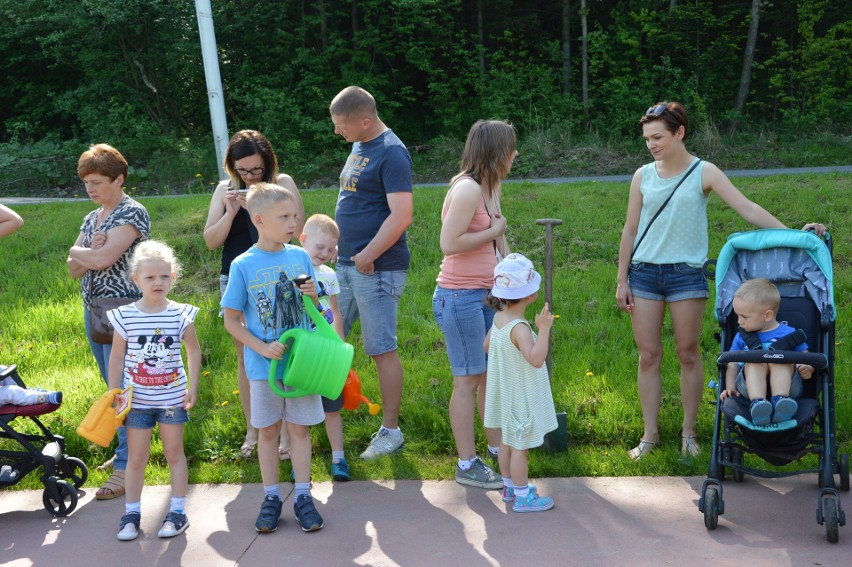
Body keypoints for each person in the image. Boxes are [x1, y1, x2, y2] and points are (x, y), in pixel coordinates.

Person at [615, 101, 826, 460]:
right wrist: (622, 279)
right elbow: (630, 229)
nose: (651, 145)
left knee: (688, 353)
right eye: (647, 138)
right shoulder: (642, 176)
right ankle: (649, 436)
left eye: (658, 137)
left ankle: (689, 433)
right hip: (645, 274)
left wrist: (797, 236)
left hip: (686, 275)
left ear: (679, 133)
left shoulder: (704, 171)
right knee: (648, 356)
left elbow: (748, 208)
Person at [221, 183, 325, 533]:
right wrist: (261, 347)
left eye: (294, 215)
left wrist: (314, 294)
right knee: (267, 432)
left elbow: (315, 311)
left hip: (302, 363)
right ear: (260, 220)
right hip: (263, 366)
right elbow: (230, 319)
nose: (293, 222)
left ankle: (303, 496)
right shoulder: (243, 264)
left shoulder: (300, 256)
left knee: (299, 429)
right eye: (284, 216)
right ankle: (270, 497)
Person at [203, 130, 304, 460]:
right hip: (237, 276)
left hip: (277, 277)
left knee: (286, 346)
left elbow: (296, 229)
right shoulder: (224, 188)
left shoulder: (282, 183)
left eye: (255, 170)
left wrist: (259, 208)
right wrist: (232, 212)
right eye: (242, 170)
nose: (248, 176)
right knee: (246, 354)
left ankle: (289, 429)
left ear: (268, 163)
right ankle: (255, 428)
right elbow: (211, 240)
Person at [330, 86, 413, 460]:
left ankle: (391, 431)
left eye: (342, 125)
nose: (337, 132)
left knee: (381, 349)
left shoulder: (392, 153)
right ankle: (328, 418)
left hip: (376, 268)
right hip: (344, 265)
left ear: (365, 120)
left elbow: (401, 215)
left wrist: (366, 255)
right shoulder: (359, 145)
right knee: (329, 341)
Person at [433, 120, 517, 489]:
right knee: (467, 380)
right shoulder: (467, 189)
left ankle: (496, 450)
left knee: (487, 378)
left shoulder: (489, 187)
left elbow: (498, 241)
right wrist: (494, 232)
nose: (515, 155)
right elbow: (448, 242)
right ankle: (467, 464)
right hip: (459, 296)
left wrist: (512, 273)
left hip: (485, 296)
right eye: (511, 149)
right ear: (496, 153)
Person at [66, 144, 150, 498]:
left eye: (98, 181)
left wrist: (82, 251)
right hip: (95, 312)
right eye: (87, 182)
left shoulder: (132, 212)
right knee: (110, 385)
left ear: (119, 179)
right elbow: (74, 269)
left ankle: (126, 468)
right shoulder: (91, 218)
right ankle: (125, 452)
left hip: (125, 314)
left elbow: (102, 259)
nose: (91, 189)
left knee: (124, 389)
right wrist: (87, 251)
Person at [106, 240, 200, 541]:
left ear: (173, 277)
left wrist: (193, 387)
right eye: (150, 277)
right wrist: (113, 391)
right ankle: (131, 513)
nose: (158, 282)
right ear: (137, 280)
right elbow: (117, 356)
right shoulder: (126, 316)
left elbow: (194, 352)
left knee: (174, 453)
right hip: (137, 402)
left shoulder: (181, 314)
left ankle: (177, 511)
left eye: (164, 276)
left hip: (172, 399)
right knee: (136, 458)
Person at [483, 253, 557, 513]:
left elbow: (487, 345)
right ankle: (524, 497)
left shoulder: (499, 319)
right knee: (520, 449)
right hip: (520, 397)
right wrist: (544, 328)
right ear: (530, 295)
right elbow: (536, 359)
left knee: (506, 442)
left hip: (506, 394)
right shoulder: (520, 328)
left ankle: (509, 487)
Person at [298, 214, 351, 481]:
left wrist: (340, 346)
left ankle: (338, 458)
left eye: (330, 249)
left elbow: (335, 311)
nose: (325, 253)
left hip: (327, 352)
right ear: (303, 240)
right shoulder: (293, 270)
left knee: (332, 407)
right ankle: (298, 461)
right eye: (320, 247)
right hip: (302, 354)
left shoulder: (330, 275)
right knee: (299, 411)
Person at [720, 278, 813, 425]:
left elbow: (806, 357)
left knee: (780, 359)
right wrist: (730, 387)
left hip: (789, 388)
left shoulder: (790, 335)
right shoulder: (742, 336)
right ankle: (758, 405)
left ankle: (781, 403)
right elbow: (732, 363)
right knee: (755, 360)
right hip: (748, 388)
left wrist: (808, 367)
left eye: (744, 317)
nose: (739, 321)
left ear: (768, 315)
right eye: (737, 315)